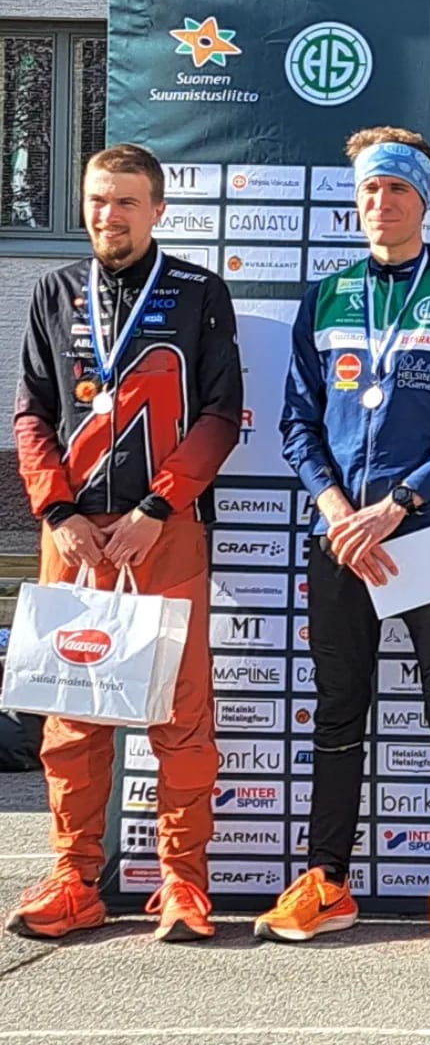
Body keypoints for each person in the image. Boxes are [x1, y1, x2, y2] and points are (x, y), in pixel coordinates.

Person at [255, 127, 430, 950]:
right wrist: (336, 508)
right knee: (338, 709)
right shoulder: (327, 295)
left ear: (423, 200)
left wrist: (396, 504)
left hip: (427, 531)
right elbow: (297, 422)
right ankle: (327, 880)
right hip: (339, 539)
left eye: (397, 189)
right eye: (369, 188)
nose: (381, 202)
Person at [6, 144, 242, 943]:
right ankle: (75, 880)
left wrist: (158, 507)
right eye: (97, 201)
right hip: (73, 538)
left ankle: (183, 882)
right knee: (72, 718)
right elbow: (32, 414)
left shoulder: (200, 293)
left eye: (126, 202)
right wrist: (58, 511)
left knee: (181, 715)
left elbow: (220, 416)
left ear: (158, 210)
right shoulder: (55, 290)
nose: (109, 216)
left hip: (163, 532)